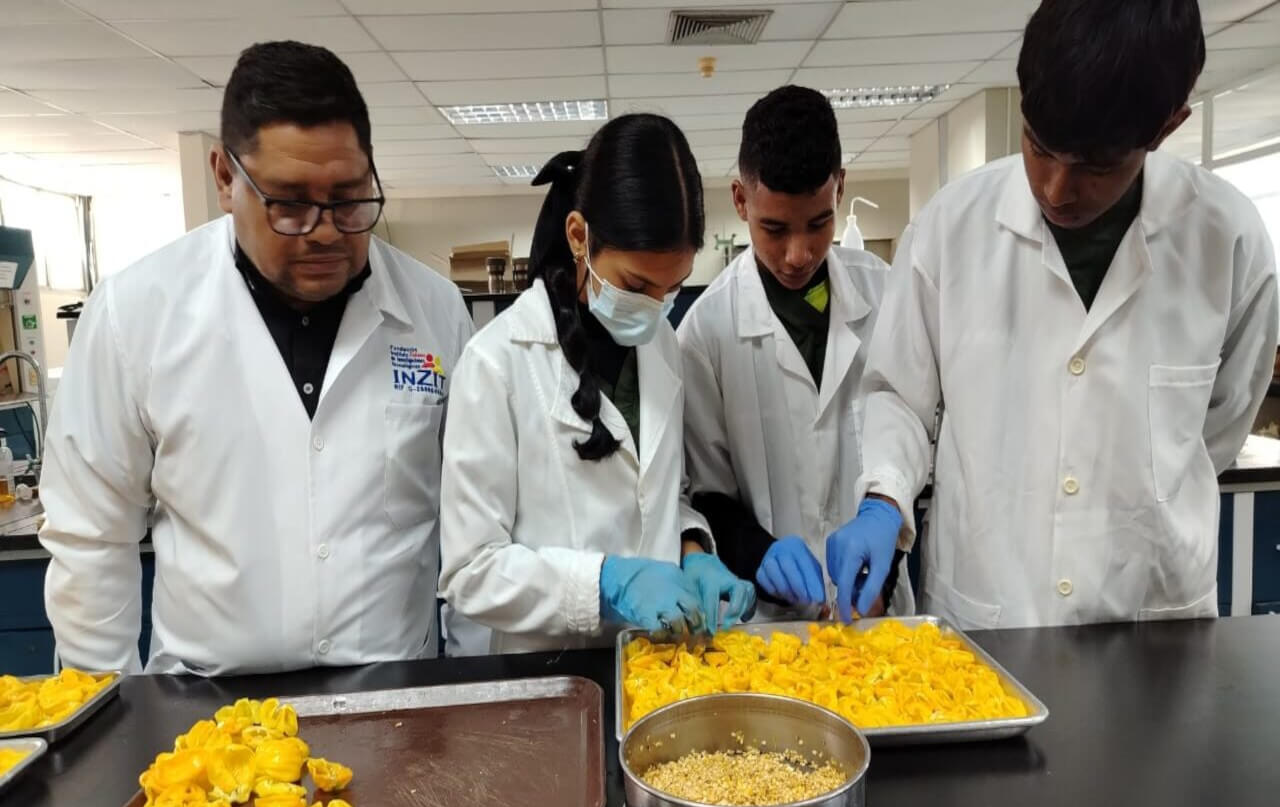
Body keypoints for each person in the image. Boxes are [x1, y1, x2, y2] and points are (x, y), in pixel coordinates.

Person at [837, 0, 1278, 628]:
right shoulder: (949, 228)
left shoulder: (1229, 241)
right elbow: (901, 397)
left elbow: (1219, 429)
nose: (1055, 190)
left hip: (1152, 623)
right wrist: (883, 497)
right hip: (989, 615)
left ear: (1166, 127)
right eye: (1038, 148)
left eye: (1096, 167)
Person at [41, 42, 474, 674]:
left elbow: (468, 528)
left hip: (394, 700)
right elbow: (90, 538)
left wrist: (474, 691)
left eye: (349, 198)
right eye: (290, 203)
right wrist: (104, 723)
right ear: (224, 177)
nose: (326, 230)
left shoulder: (435, 311)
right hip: (204, 714)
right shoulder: (135, 313)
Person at [439, 114, 755, 655]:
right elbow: (471, 571)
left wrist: (692, 545)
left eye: (672, 288)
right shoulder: (497, 363)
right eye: (636, 285)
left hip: (657, 665)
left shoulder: (662, 346)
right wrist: (606, 582)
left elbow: (659, 494)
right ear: (579, 235)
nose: (655, 308)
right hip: (547, 678)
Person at [680, 85, 913, 623]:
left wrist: (888, 565)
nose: (798, 254)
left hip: (878, 618)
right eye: (774, 228)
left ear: (840, 189)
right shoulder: (705, 332)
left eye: (819, 223)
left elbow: (907, 442)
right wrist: (761, 555)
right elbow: (709, 494)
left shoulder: (886, 294)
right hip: (769, 623)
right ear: (740, 200)